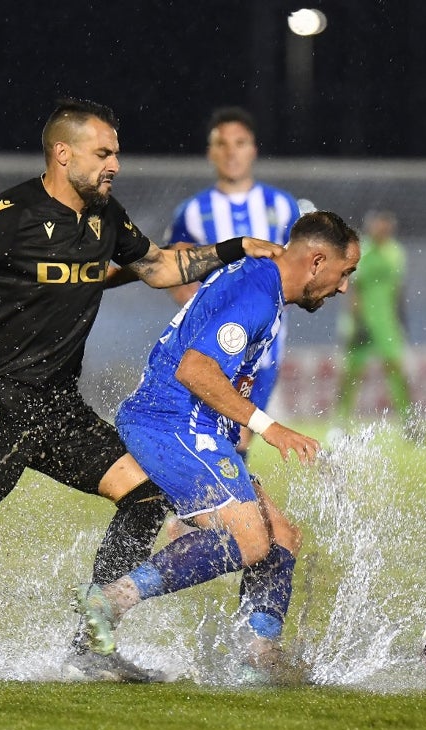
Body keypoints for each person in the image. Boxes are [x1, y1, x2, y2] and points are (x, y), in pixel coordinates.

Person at [0, 98, 283, 683]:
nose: (114, 163)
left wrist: (232, 249)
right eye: (103, 152)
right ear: (63, 154)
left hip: (59, 405)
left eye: (115, 152)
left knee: (145, 499)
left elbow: (161, 268)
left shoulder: (106, 218)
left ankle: (90, 642)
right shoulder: (14, 212)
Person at [73, 211, 360, 684]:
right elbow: (194, 369)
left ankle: (257, 656)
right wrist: (270, 427)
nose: (344, 287)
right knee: (248, 540)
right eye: (344, 272)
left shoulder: (262, 282)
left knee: (281, 535)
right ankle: (110, 600)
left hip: (199, 427)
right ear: (316, 261)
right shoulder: (256, 294)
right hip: (170, 423)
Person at [166, 107, 309, 457]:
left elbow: (304, 264)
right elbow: (173, 267)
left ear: (253, 149)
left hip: (265, 351)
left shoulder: (283, 205)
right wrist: (197, 309)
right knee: (215, 434)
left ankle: (212, 508)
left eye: (240, 143)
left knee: (239, 435)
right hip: (213, 348)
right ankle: (213, 508)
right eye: (222, 144)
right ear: (210, 152)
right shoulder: (192, 212)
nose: (231, 152)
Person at [334, 210, 419, 439]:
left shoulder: (396, 252)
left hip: (387, 323)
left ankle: (409, 423)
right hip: (362, 322)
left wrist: (401, 319)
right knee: (352, 373)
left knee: (397, 370)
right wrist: (355, 322)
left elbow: (398, 289)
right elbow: (354, 289)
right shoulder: (362, 251)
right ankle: (340, 424)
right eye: (378, 225)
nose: (382, 229)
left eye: (386, 225)